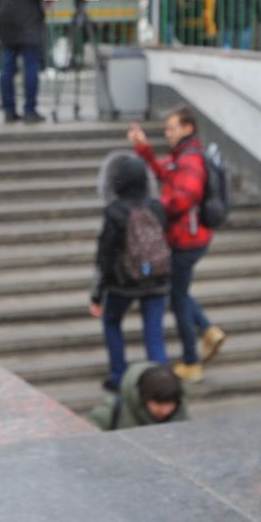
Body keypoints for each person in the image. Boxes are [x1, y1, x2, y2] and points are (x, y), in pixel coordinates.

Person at [128, 109, 227, 383]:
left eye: (171, 128)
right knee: (179, 291)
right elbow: (166, 174)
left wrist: (152, 208)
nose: (167, 133)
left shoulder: (191, 160)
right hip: (187, 238)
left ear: (187, 128)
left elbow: (183, 198)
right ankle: (208, 330)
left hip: (187, 240)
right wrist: (144, 149)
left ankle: (192, 362)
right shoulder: (183, 155)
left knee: (178, 298)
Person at [89, 151, 170, 392]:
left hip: (123, 283)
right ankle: (160, 384)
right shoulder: (156, 208)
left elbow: (105, 255)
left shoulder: (114, 212)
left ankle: (119, 376)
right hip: (157, 279)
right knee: (153, 333)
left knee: (112, 322)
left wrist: (97, 293)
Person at [86, 363, 188, 431]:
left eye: (170, 404)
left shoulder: (180, 414)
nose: (165, 411)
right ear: (143, 397)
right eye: (158, 404)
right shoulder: (111, 412)